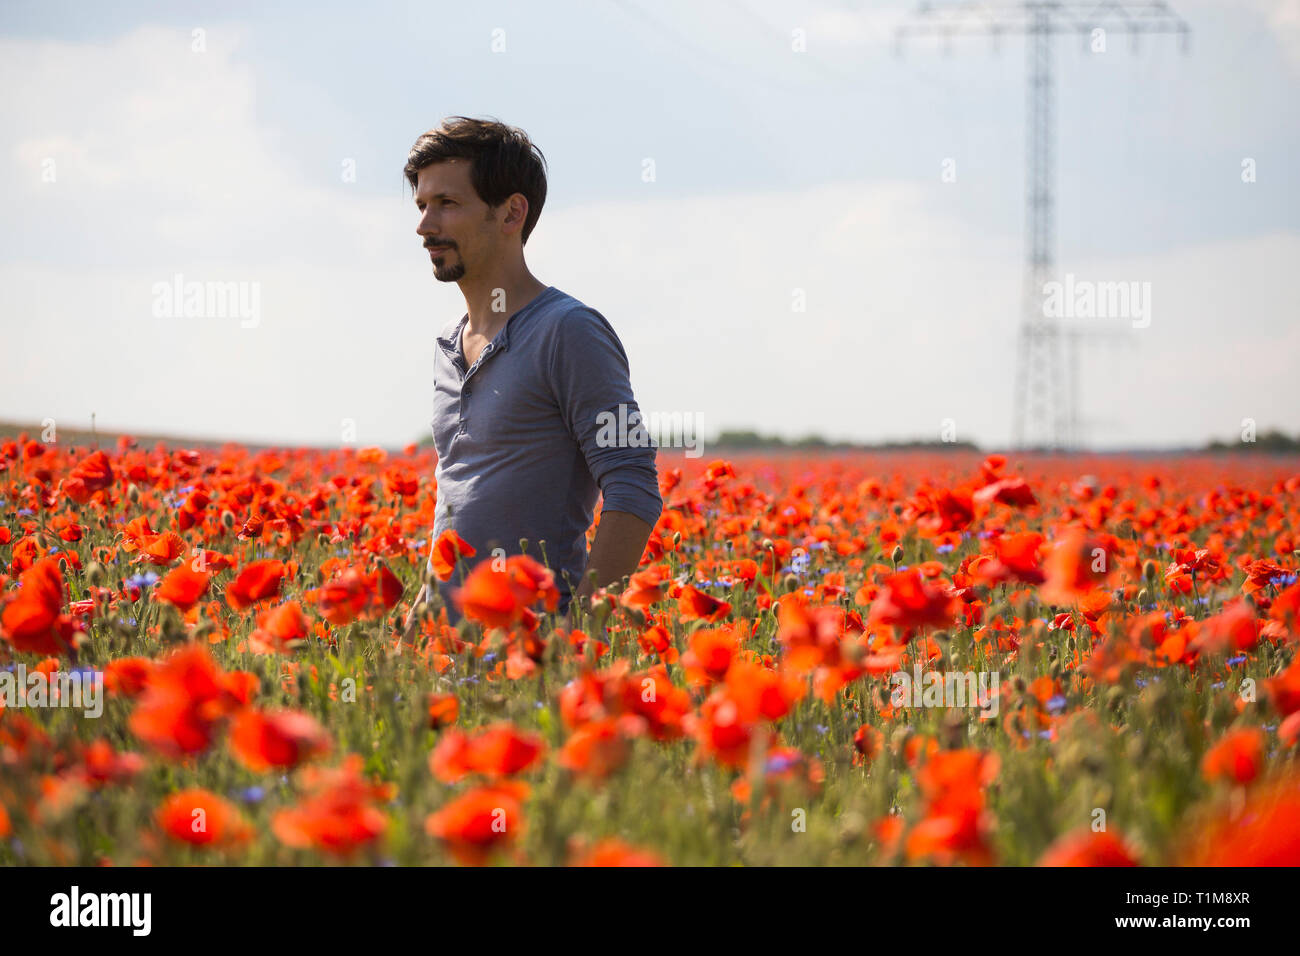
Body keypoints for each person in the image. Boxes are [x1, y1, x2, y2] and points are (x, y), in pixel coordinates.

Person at [401, 116, 662, 634]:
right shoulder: (448, 346)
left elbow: (634, 487)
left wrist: (576, 637)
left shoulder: (571, 332)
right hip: (446, 651)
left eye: (447, 204)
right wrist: (421, 615)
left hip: (530, 650)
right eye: (422, 205)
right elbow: (459, 498)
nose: (425, 225)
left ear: (511, 212)